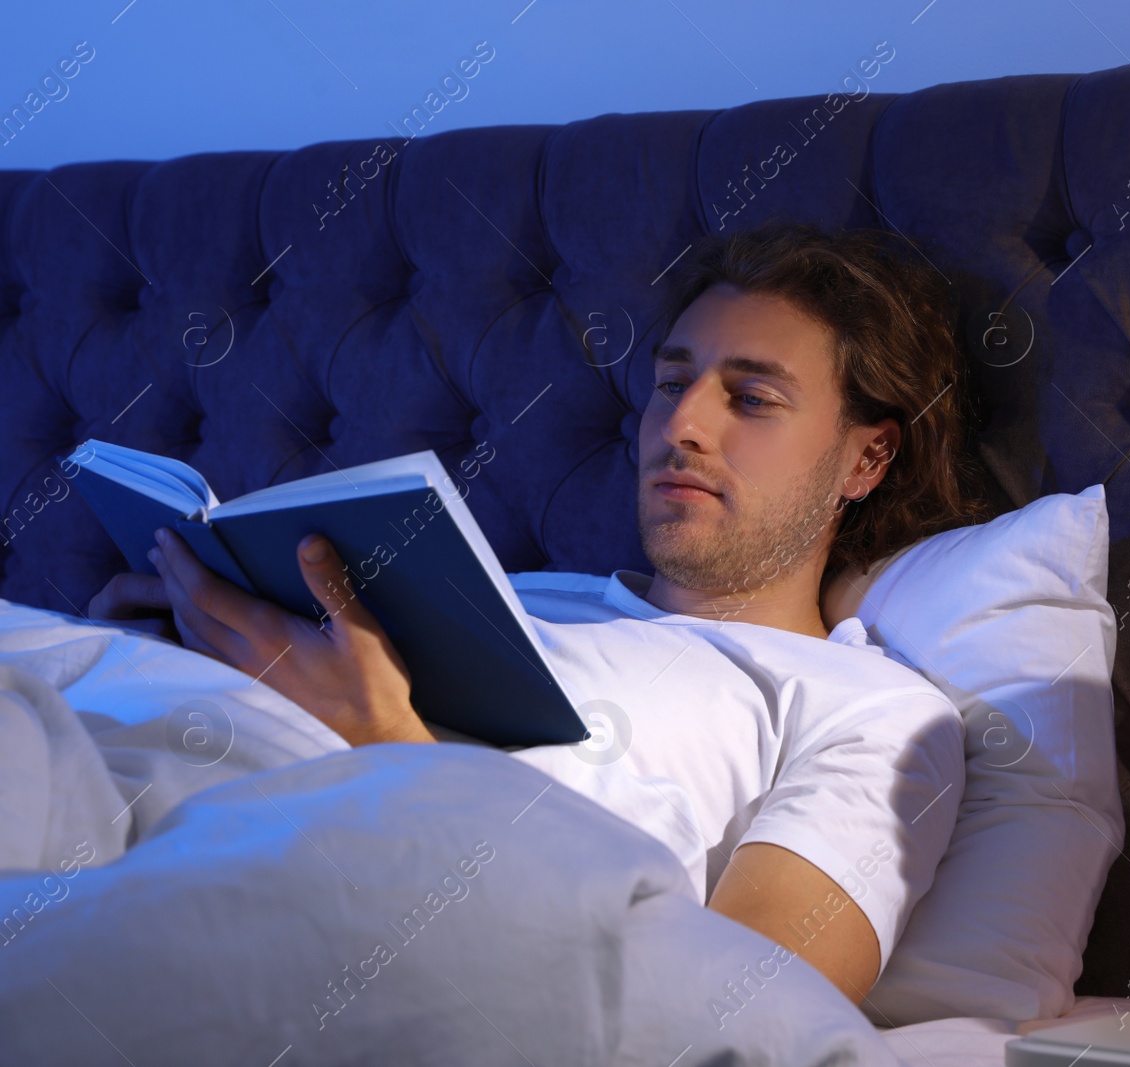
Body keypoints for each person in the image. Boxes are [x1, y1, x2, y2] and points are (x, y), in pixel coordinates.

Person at [86, 219, 994, 1005]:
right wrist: (156, 637)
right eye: (674, 383)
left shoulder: (874, 710)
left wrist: (386, 744)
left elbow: (740, 1007)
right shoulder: (516, 590)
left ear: (867, 460)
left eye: (751, 398)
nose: (682, 425)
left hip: (285, 903)